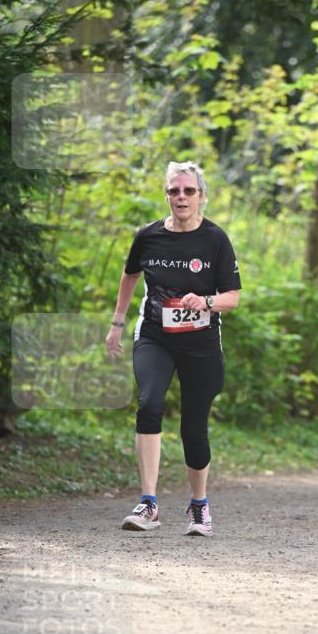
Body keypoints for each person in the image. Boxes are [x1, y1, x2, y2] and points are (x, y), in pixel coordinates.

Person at [105, 161, 241, 537]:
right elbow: (130, 274)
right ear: (166, 195)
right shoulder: (148, 236)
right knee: (149, 404)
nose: (181, 197)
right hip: (154, 336)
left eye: (188, 191)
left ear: (201, 196)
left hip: (200, 344)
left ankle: (199, 506)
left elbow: (233, 297)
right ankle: (148, 504)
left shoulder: (215, 240)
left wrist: (208, 302)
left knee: (193, 429)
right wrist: (117, 324)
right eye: (173, 191)